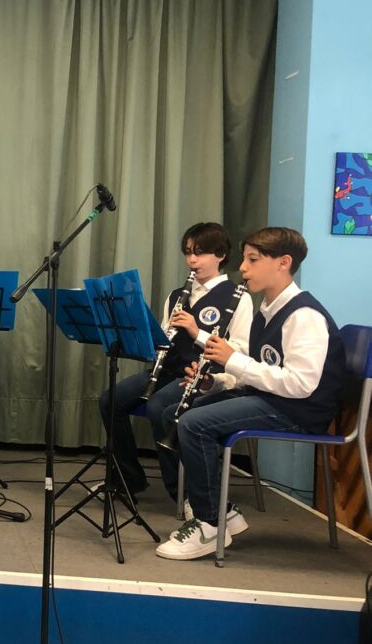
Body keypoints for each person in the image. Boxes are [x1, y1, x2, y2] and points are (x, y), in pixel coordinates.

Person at [155, 227, 346, 560]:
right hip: (272, 398)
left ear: (284, 263)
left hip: (299, 411)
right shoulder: (267, 310)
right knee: (182, 411)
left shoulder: (304, 315)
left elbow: (301, 385)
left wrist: (232, 360)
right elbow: (255, 372)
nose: (242, 268)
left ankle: (209, 523)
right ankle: (223, 511)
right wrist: (213, 382)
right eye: (244, 259)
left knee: (194, 424)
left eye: (253, 260)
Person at [98, 222, 253, 500]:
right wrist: (152, 338)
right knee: (110, 401)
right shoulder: (176, 296)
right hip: (168, 370)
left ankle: (182, 492)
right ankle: (128, 478)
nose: (192, 260)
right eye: (188, 252)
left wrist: (196, 332)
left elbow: (240, 350)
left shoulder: (238, 298)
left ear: (220, 255)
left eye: (200, 253)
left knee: (159, 406)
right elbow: (163, 339)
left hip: (204, 376)